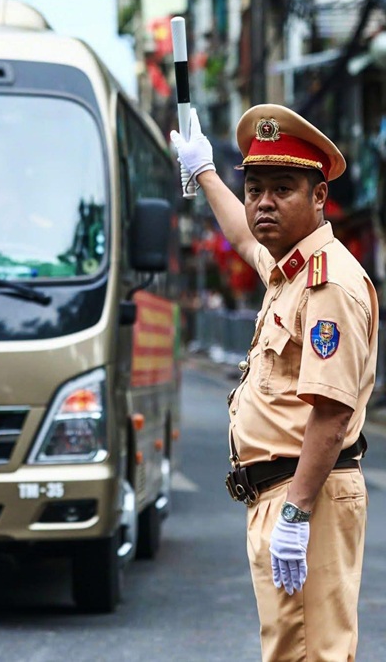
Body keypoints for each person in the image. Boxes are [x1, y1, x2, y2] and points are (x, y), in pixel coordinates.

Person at [171, 105, 377, 661]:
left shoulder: (328, 282)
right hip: (281, 493)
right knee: (291, 649)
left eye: (282, 188)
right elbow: (243, 239)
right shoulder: (289, 268)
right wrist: (207, 171)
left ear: (318, 198)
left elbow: (332, 413)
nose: (263, 201)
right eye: (255, 187)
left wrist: (296, 513)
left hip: (304, 494)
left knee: (312, 653)